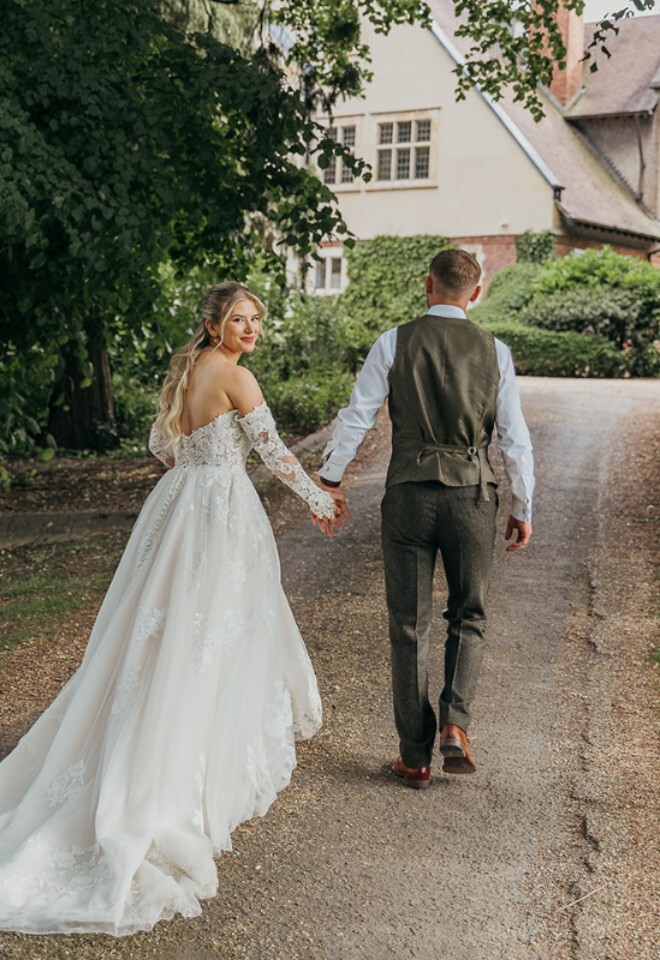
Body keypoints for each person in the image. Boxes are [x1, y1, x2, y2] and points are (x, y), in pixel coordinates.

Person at [0, 281, 347, 935]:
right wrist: (321, 501)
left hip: (178, 507)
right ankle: (180, 765)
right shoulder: (236, 378)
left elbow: (164, 449)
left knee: (163, 631)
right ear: (214, 324)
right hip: (216, 513)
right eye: (240, 320)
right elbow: (272, 454)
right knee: (210, 630)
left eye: (257, 321)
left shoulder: (189, 372)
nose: (252, 330)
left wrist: (202, 463)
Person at [319, 249, 534, 789]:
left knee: (408, 624)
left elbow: (358, 413)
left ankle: (414, 756)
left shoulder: (394, 341)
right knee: (470, 614)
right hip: (471, 496)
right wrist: (522, 505)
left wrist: (329, 477)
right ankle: (456, 726)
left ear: (427, 286)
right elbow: (513, 437)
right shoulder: (495, 350)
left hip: (409, 495)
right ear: (476, 293)